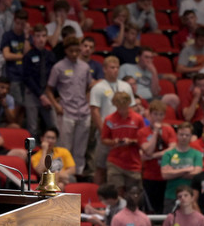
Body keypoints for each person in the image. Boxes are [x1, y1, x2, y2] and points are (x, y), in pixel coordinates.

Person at [46, 36, 92, 175]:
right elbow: (49, 89)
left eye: (77, 51)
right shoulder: (58, 67)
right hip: (66, 111)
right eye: (71, 51)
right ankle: (62, 176)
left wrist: (89, 103)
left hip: (83, 111)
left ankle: (78, 175)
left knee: (80, 148)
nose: (74, 54)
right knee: (65, 147)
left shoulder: (85, 66)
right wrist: (56, 105)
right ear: (66, 50)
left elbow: (89, 87)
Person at [90, 56, 135, 184]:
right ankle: (97, 194)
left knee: (123, 166)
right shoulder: (98, 87)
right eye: (112, 67)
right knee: (101, 166)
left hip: (124, 132)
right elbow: (95, 111)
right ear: (104, 69)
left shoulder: (125, 86)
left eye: (117, 67)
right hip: (106, 131)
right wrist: (104, 130)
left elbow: (132, 108)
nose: (115, 70)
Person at [102, 91, 145, 196]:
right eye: (118, 107)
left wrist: (131, 141)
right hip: (115, 161)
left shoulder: (138, 119)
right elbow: (104, 139)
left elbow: (143, 139)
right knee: (116, 192)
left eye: (124, 106)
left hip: (133, 162)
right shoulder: (109, 120)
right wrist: (114, 142)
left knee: (133, 194)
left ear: (128, 104)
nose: (121, 110)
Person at [138, 100, 177, 213]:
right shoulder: (143, 132)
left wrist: (154, 155)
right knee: (151, 208)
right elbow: (148, 150)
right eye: (155, 114)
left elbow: (173, 149)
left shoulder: (168, 129)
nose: (158, 117)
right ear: (149, 115)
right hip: (150, 176)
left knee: (165, 208)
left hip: (166, 175)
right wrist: (155, 131)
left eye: (161, 114)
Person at [21, 24, 56, 138]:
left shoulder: (50, 55)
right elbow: (27, 77)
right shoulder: (29, 56)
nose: (41, 39)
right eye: (38, 36)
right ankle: (33, 151)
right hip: (32, 92)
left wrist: (48, 94)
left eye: (43, 36)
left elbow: (54, 76)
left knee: (52, 123)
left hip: (47, 92)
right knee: (33, 126)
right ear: (33, 38)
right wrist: (40, 95)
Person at [161, 122, 203, 213]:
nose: (184, 137)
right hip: (171, 196)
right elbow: (165, 175)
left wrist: (174, 172)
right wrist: (186, 170)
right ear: (177, 135)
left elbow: (196, 174)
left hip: (190, 197)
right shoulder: (168, 154)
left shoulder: (197, 154)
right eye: (181, 134)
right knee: (171, 225)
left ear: (191, 136)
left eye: (187, 135)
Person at [1, 9, 30, 109]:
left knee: (24, 105)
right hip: (12, 75)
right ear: (14, 21)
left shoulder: (27, 37)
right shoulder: (8, 35)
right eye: (17, 23)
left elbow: (29, 53)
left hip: (25, 76)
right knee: (16, 103)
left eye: (22, 24)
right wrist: (23, 56)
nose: (19, 26)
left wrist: (26, 36)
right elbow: (7, 55)